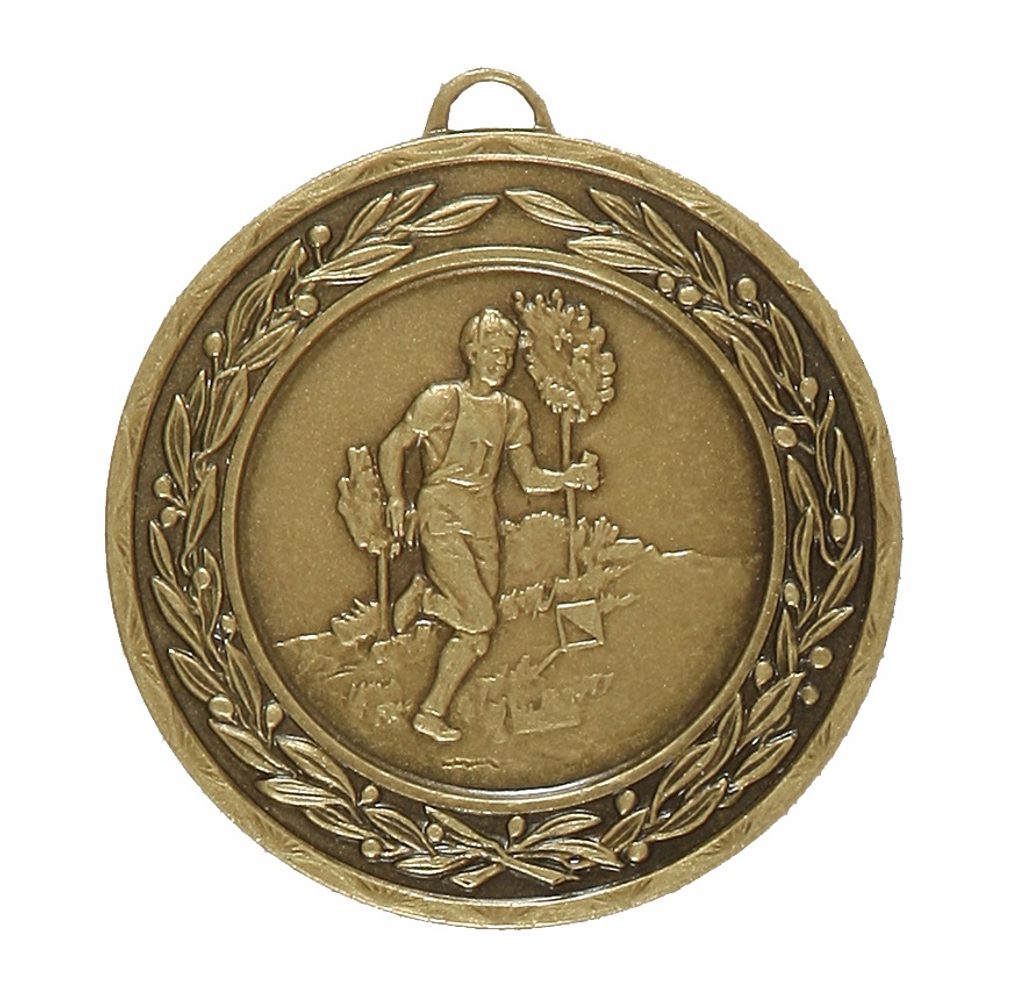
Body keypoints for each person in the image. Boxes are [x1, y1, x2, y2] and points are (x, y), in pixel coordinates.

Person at [378, 307, 600, 742]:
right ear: (472, 351)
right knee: (480, 615)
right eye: (493, 351)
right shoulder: (443, 400)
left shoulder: (512, 412)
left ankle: (430, 714)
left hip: (482, 519)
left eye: (507, 354)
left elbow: (529, 478)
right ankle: (427, 598)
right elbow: (394, 444)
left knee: (478, 637)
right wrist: (396, 497)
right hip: (442, 511)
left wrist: (569, 477)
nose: (501, 361)